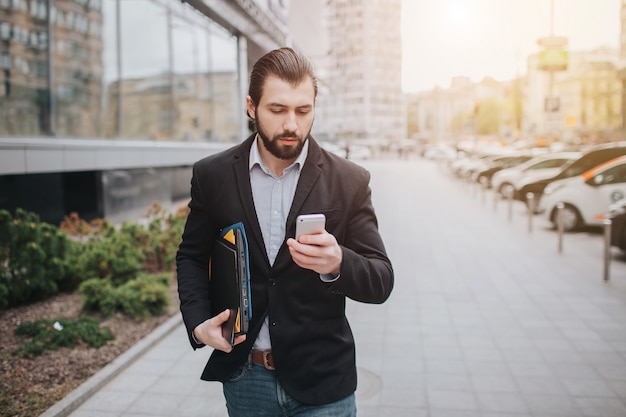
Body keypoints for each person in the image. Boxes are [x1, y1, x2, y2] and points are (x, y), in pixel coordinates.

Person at [176, 47, 394, 417]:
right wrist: (198, 323)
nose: (291, 124)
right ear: (251, 107)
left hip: (324, 381)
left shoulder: (350, 180)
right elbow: (192, 257)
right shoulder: (212, 175)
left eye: (303, 110)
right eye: (277, 110)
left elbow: (381, 280)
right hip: (246, 378)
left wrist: (338, 261)